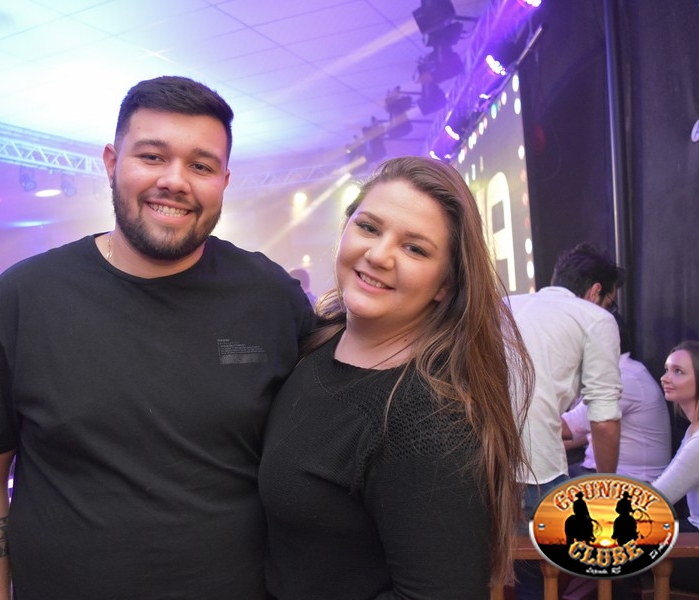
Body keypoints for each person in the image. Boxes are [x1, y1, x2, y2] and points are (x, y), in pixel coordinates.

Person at [0, 76, 315, 599]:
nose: (175, 181)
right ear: (112, 163)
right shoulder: (22, 299)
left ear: (224, 180)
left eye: (201, 166)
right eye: (152, 157)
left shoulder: (271, 297)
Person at [259, 156, 534, 598]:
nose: (379, 255)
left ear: (445, 285)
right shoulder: (317, 346)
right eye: (369, 227)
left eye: (415, 249)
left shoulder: (426, 421)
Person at [505, 242, 624, 600]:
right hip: (533, 470)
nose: (608, 310)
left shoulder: (504, 304)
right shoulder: (594, 318)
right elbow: (604, 419)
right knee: (540, 582)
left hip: (471, 465)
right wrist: (606, 491)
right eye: (610, 302)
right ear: (596, 291)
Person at [561, 347, 671, 483]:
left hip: (632, 482)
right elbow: (587, 429)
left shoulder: (623, 378)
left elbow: (568, 427)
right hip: (602, 471)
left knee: (542, 486)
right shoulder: (622, 371)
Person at [652, 340, 699, 594]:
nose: (665, 378)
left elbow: (656, 498)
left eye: (678, 371)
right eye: (666, 369)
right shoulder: (693, 428)